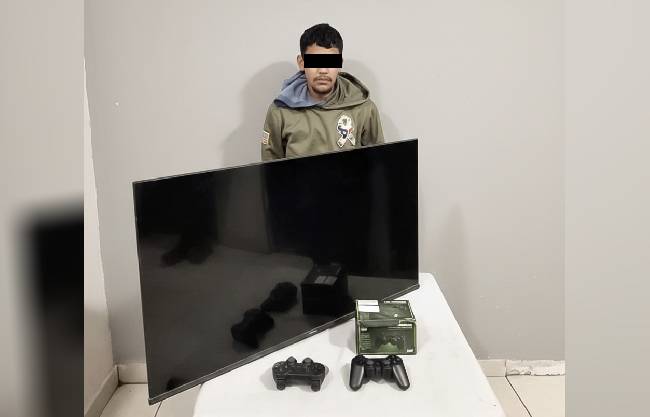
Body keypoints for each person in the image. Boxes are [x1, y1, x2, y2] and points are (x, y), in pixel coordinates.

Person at [261, 23, 384, 161]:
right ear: (302, 63)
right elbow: (270, 168)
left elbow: (377, 164)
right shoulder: (280, 112)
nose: (323, 70)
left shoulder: (364, 109)